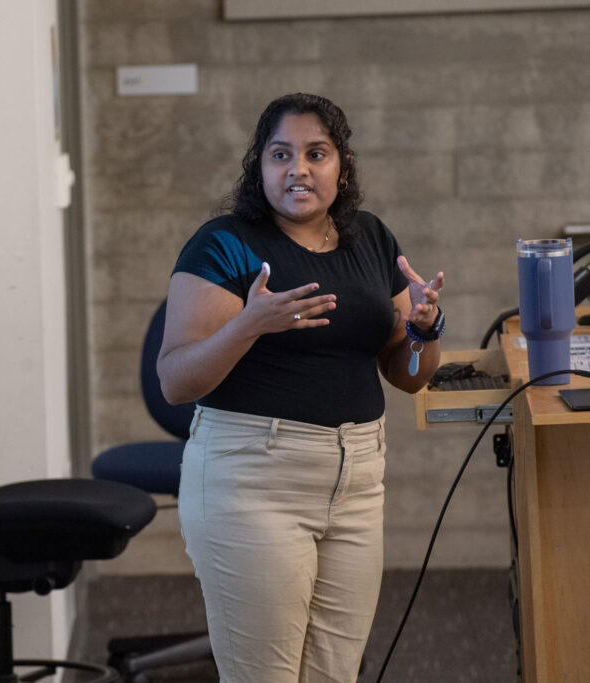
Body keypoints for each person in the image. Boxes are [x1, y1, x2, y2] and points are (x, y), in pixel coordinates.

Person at [157, 93, 445, 682]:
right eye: (280, 154)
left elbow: (409, 377)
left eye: (317, 153)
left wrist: (424, 328)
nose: (299, 169)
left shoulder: (369, 237)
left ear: (342, 164)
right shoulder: (223, 244)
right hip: (253, 480)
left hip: (358, 480)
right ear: (258, 166)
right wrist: (248, 325)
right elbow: (174, 381)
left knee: (334, 675)